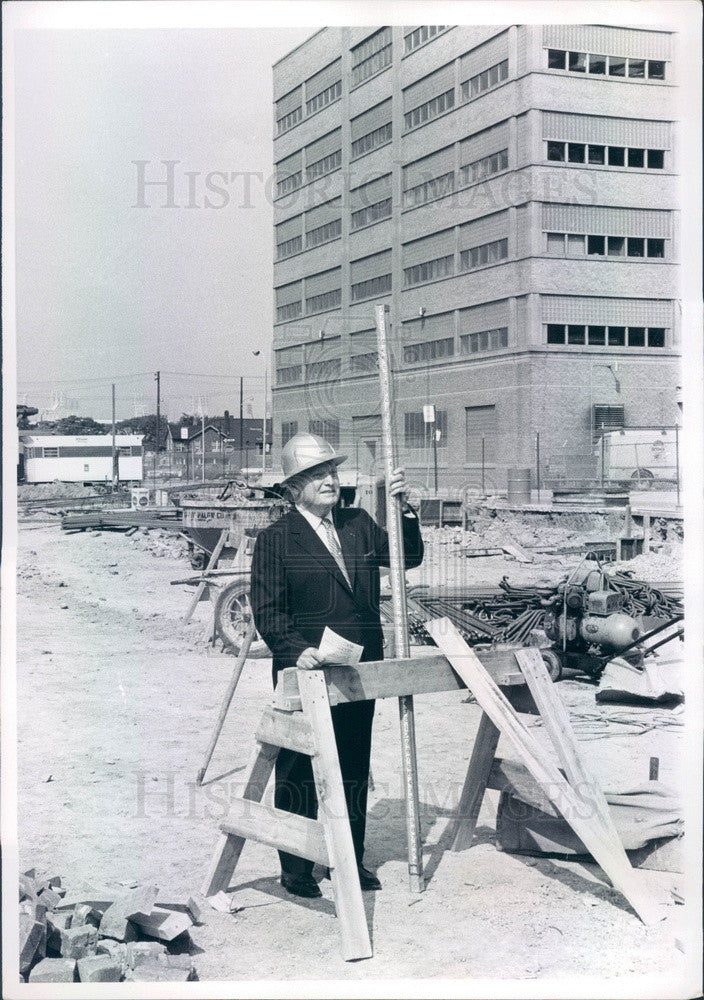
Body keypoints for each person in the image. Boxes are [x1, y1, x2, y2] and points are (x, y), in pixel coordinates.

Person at [250, 431, 424, 899]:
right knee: (300, 766)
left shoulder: (359, 523)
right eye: (316, 474)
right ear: (292, 487)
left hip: (358, 669)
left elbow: (407, 557)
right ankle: (297, 866)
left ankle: (350, 859)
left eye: (331, 471)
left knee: (352, 763)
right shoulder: (275, 540)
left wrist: (404, 510)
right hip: (306, 670)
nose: (329, 480)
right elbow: (268, 610)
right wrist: (294, 650)